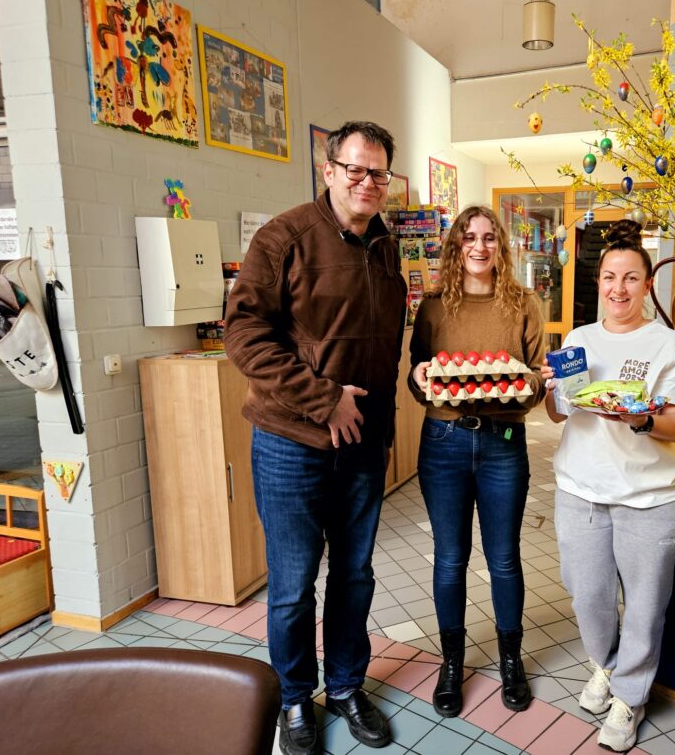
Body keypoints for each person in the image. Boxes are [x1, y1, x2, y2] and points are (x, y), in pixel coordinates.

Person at [225, 121, 406, 755]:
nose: (366, 182)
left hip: (362, 447)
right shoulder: (284, 238)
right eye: (355, 169)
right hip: (290, 445)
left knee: (354, 576)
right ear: (328, 171)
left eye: (378, 172)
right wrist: (325, 400)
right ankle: (296, 699)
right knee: (293, 585)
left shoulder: (386, 248)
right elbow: (243, 336)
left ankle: (347, 686)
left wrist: (380, 429)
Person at [540, 220, 675, 753]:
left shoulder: (672, 345)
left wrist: (642, 419)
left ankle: (630, 697)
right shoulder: (579, 340)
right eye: (610, 277)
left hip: (650, 498)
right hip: (580, 490)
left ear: (648, 284)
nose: (619, 288)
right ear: (599, 281)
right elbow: (560, 414)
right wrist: (553, 390)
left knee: (646, 607)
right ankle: (606, 665)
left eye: (631, 278)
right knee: (588, 597)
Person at [408, 205, 546, 718]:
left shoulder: (524, 304)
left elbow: (537, 376)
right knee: (450, 558)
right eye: (469, 237)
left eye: (489, 237)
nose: (480, 246)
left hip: (503, 441)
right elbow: (418, 375)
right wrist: (419, 377)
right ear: (456, 246)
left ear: (500, 246)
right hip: (444, 441)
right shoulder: (433, 306)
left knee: (504, 557)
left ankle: (511, 659)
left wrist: (530, 385)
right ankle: (451, 663)